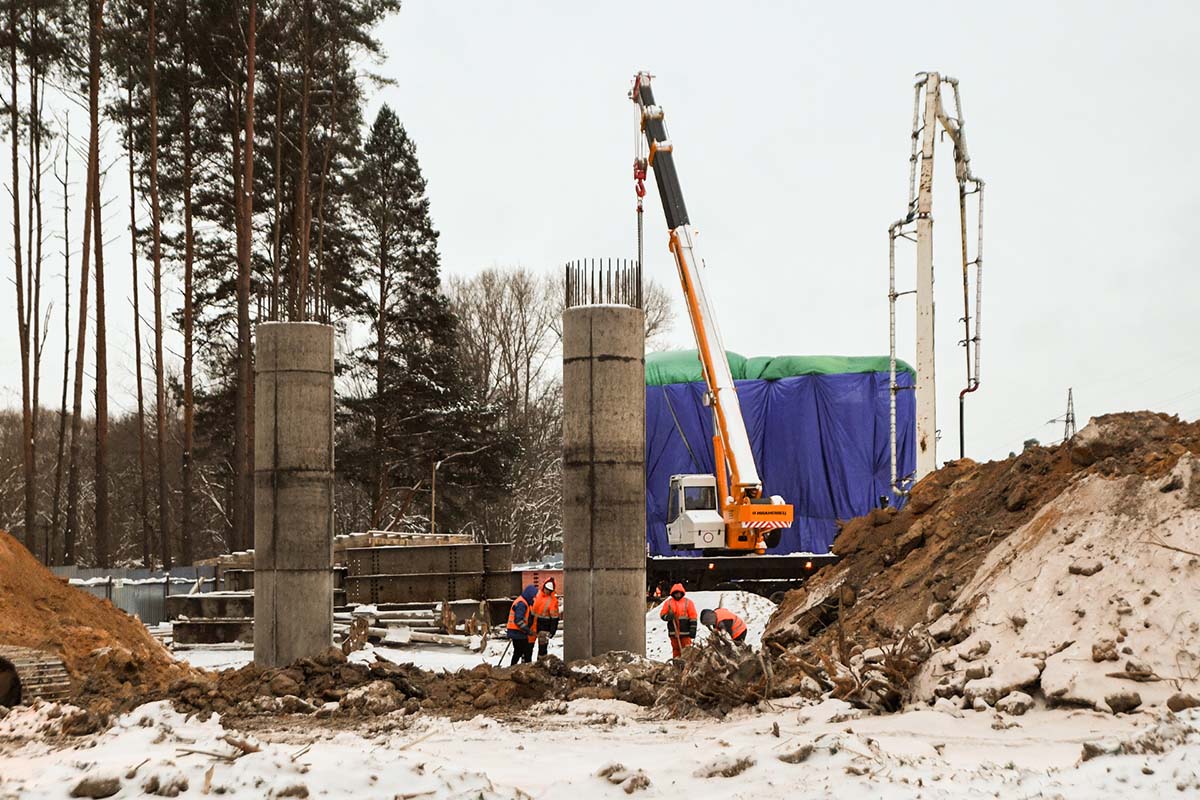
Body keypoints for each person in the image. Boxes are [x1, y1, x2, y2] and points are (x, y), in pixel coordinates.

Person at [658, 583, 697, 657]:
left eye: (679, 593)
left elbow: (693, 616)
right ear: (673, 593)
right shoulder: (668, 603)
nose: (678, 595)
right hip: (673, 632)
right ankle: (676, 665)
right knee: (676, 650)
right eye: (676, 593)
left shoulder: (688, 602)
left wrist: (693, 629)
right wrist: (668, 617)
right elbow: (662, 614)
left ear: (682, 593)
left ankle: (686, 665)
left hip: (686, 632)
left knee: (687, 650)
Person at [506, 584, 538, 665]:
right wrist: (527, 630)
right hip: (517, 632)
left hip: (517, 632)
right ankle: (524, 668)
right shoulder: (522, 604)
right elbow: (518, 620)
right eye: (533, 596)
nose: (534, 598)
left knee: (518, 652)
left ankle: (514, 667)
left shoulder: (525, 602)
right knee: (525, 651)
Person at [531, 578, 560, 661]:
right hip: (534, 625)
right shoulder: (538, 595)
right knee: (528, 647)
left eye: (549, 590)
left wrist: (552, 630)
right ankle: (526, 663)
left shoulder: (552, 601)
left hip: (544, 627)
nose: (547, 591)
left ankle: (541, 664)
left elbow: (554, 617)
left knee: (542, 649)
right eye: (546, 589)